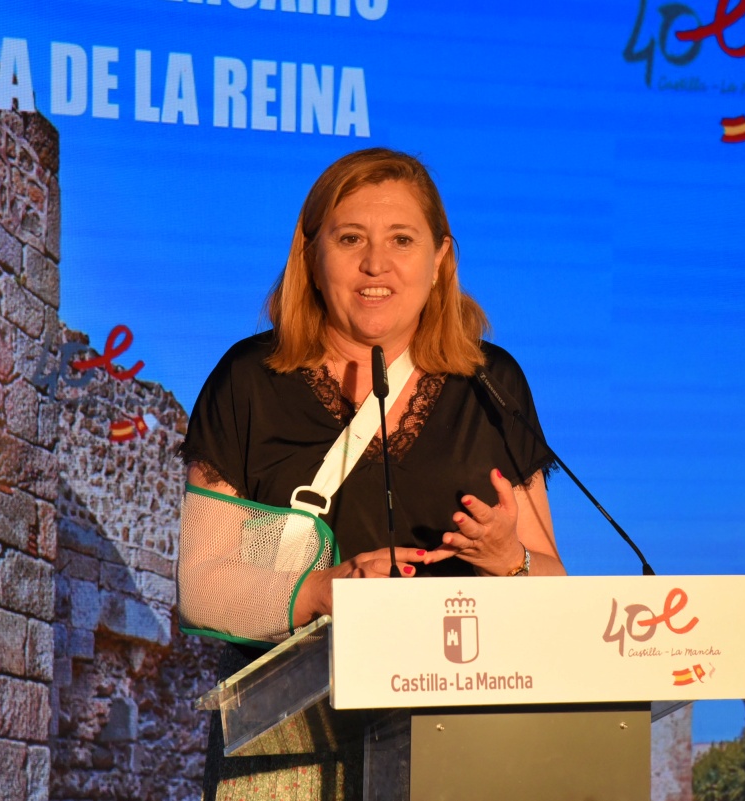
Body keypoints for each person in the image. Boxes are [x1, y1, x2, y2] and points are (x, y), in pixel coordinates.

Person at [178, 147, 565, 800]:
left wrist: (510, 560)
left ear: (440, 260)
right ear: (311, 256)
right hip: (286, 752)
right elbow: (202, 586)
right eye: (350, 238)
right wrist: (321, 591)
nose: (375, 264)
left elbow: (555, 587)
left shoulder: (492, 385)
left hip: (460, 745)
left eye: (401, 240)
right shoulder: (248, 380)